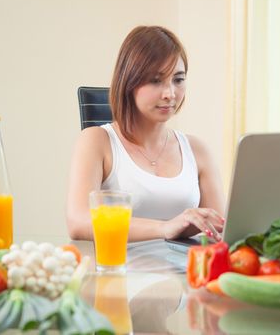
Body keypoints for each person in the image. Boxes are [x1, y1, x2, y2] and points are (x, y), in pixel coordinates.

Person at [66, 26, 225, 242]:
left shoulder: (197, 150)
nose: (170, 94)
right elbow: (79, 222)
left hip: (185, 272)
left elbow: (221, 228)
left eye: (178, 80)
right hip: (120, 272)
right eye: (155, 80)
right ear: (129, 82)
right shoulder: (97, 141)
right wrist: (165, 228)